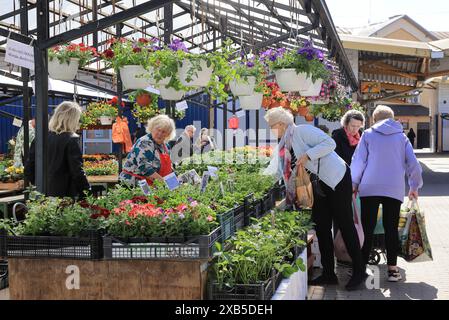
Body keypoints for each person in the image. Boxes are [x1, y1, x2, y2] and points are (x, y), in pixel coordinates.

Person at [264, 107, 364, 291]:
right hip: (318, 186)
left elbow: (329, 144)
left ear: (280, 124)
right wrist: (260, 182)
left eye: (271, 126)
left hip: (337, 179)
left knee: (345, 223)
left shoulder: (302, 131)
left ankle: (359, 271)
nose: (271, 129)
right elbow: (276, 168)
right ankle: (328, 274)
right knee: (322, 225)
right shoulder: (285, 142)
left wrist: (309, 155)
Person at [351, 105, 423, 282]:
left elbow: (359, 161)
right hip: (393, 188)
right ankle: (392, 270)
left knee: (367, 228)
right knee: (391, 229)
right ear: (392, 118)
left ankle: (361, 270)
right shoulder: (402, 137)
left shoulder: (367, 134)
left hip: (369, 188)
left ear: (374, 119)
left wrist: (354, 183)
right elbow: (413, 163)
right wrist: (414, 186)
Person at [25, 102, 90, 198]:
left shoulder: (40, 138)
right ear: (72, 119)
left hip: (41, 194)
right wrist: (87, 191)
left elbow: (28, 168)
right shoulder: (71, 140)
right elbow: (77, 172)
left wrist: (38, 185)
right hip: (64, 195)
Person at [119, 114, 175, 186]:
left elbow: (170, 168)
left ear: (168, 134)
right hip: (134, 184)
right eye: (158, 130)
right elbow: (145, 169)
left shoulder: (166, 146)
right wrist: (166, 184)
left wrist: (176, 182)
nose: (159, 134)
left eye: (163, 132)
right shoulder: (144, 142)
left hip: (154, 183)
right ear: (152, 128)